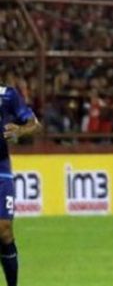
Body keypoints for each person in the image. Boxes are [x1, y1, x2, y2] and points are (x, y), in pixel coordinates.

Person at [0, 85, 42, 286]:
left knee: (4, 229)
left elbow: (35, 125)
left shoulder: (7, 95)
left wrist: (20, 130)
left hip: (1, 168)